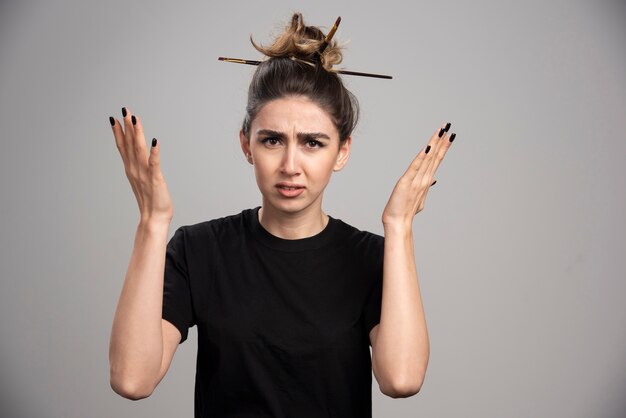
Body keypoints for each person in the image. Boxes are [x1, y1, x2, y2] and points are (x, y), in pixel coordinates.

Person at [108, 12, 455, 418]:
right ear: (246, 145)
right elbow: (133, 379)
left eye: (312, 143)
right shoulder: (198, 250)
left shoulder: (371, 258)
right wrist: (152, 222)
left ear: (341, 151)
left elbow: (402, 379)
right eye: (272, 140)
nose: (291, 165)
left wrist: (400, 229)